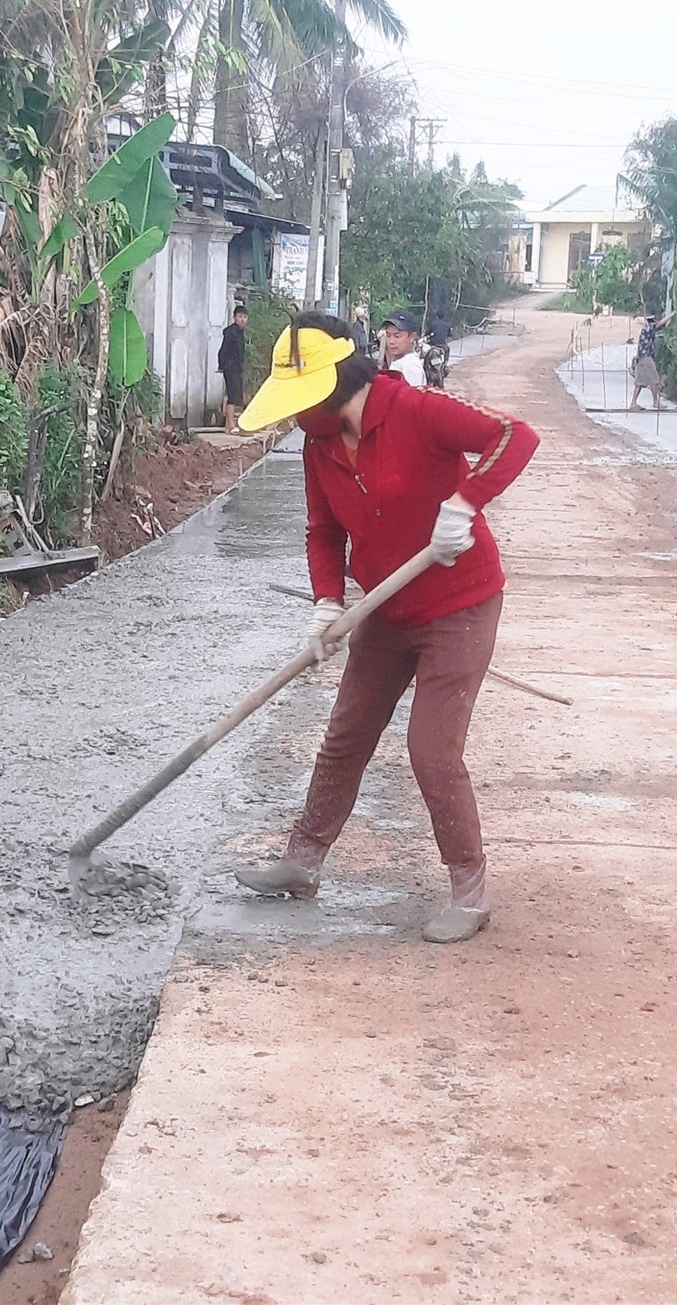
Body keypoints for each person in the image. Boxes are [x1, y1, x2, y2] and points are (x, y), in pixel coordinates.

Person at [231, 314, 539, 944]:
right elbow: (323, 531)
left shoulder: (416, 409)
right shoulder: (319, 447)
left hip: (459, 605)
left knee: (431, 749)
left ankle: (469, 888)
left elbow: (516, 435)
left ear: (332, 385)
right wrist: (325, 602)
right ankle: (303, 862)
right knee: (345, 736)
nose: (292, 420)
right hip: (382, 609)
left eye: (298, 404)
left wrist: (466, 501)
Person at [218, 304, 248, 433]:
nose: (242, 319)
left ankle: (230, 424)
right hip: (230, 368)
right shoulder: (230, 332)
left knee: (236, 396)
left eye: (245, 317)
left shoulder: (240, 332)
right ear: (234, 317)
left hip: (237, 368)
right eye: (240, 317)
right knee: (232, 395)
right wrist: (222, 365)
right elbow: (223, 350)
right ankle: (229, 425)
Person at [629, 311, 668, 410]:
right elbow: (660, 324)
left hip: (641, 358)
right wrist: (671, 315)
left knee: (640, 382)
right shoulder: (648, 328)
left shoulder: (646, 330)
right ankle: (655, 402)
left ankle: (633, 403)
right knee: (654, 380)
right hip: (646, 358)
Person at [378, 308, 427, 387]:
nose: (391, 341)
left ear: (412, 337)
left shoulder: (410, 367)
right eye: (388, 335)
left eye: (397, 336)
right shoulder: (399, 362)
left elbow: (411, 398)